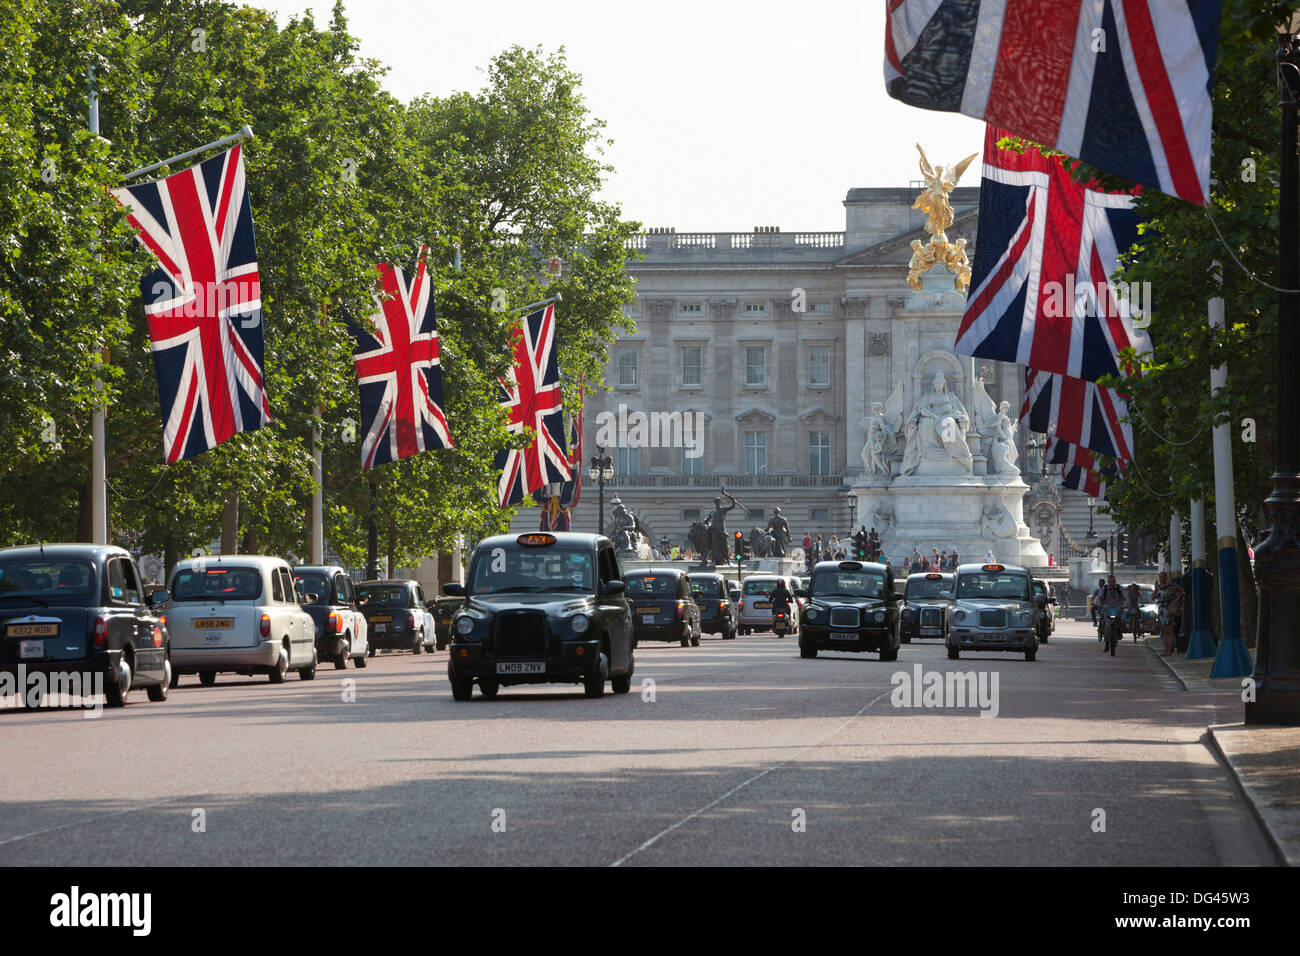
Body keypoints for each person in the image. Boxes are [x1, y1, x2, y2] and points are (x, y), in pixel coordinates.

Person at [1156, 572, 1184, 656]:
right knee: (1163, 630)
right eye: (1160, 577)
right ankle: (1165, 649)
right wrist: (1155, 588)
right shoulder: (1159, 587)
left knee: (1169, 630)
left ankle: (1169, 650)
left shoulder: (1170, 587)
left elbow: (1181, 591)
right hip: (1161, 609)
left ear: (1166, 577)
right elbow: (1154, 597)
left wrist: (1175, 601)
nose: (1161, 579)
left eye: (1163, 577)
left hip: (1168, 610)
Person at [1098, 573, 1126, 653]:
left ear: (1115, 581)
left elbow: (1126, 597)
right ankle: (1107, 644)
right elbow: (1099, 598)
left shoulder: (1120, 589)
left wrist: (1126, 604)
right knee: (1107, 625)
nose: (1111, 583)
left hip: (1117, 609)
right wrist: (1100, 604)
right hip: (1107, 609)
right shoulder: (1104, 589)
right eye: (1110, 582)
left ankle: (1118, 632)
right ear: (1108, 582)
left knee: (1119, 623)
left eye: (1113, 581)